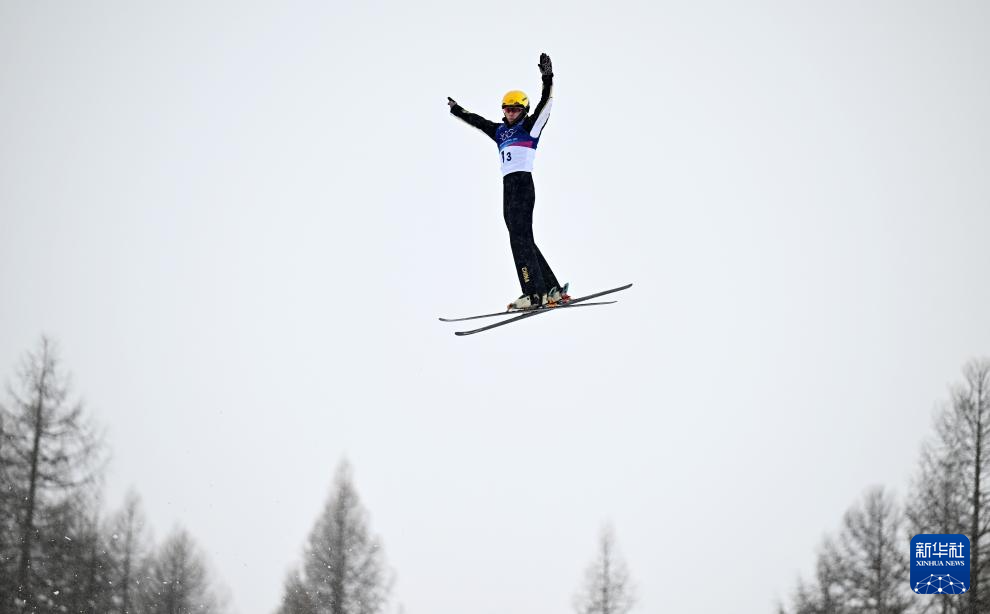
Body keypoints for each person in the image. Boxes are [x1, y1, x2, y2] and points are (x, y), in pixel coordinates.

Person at [448, 52, 570, 310]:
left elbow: (546, 105)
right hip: (508, 188)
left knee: (519, 238)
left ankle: (533, 293)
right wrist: (457, 110)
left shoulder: (530, 127)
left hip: (523, 185)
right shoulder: (501, 131)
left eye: (515, 109)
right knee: (522, 237)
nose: (511, 112)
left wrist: (547, 77)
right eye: (507, 108)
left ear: (523, 110)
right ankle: (551, 289)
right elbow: (478, 122)